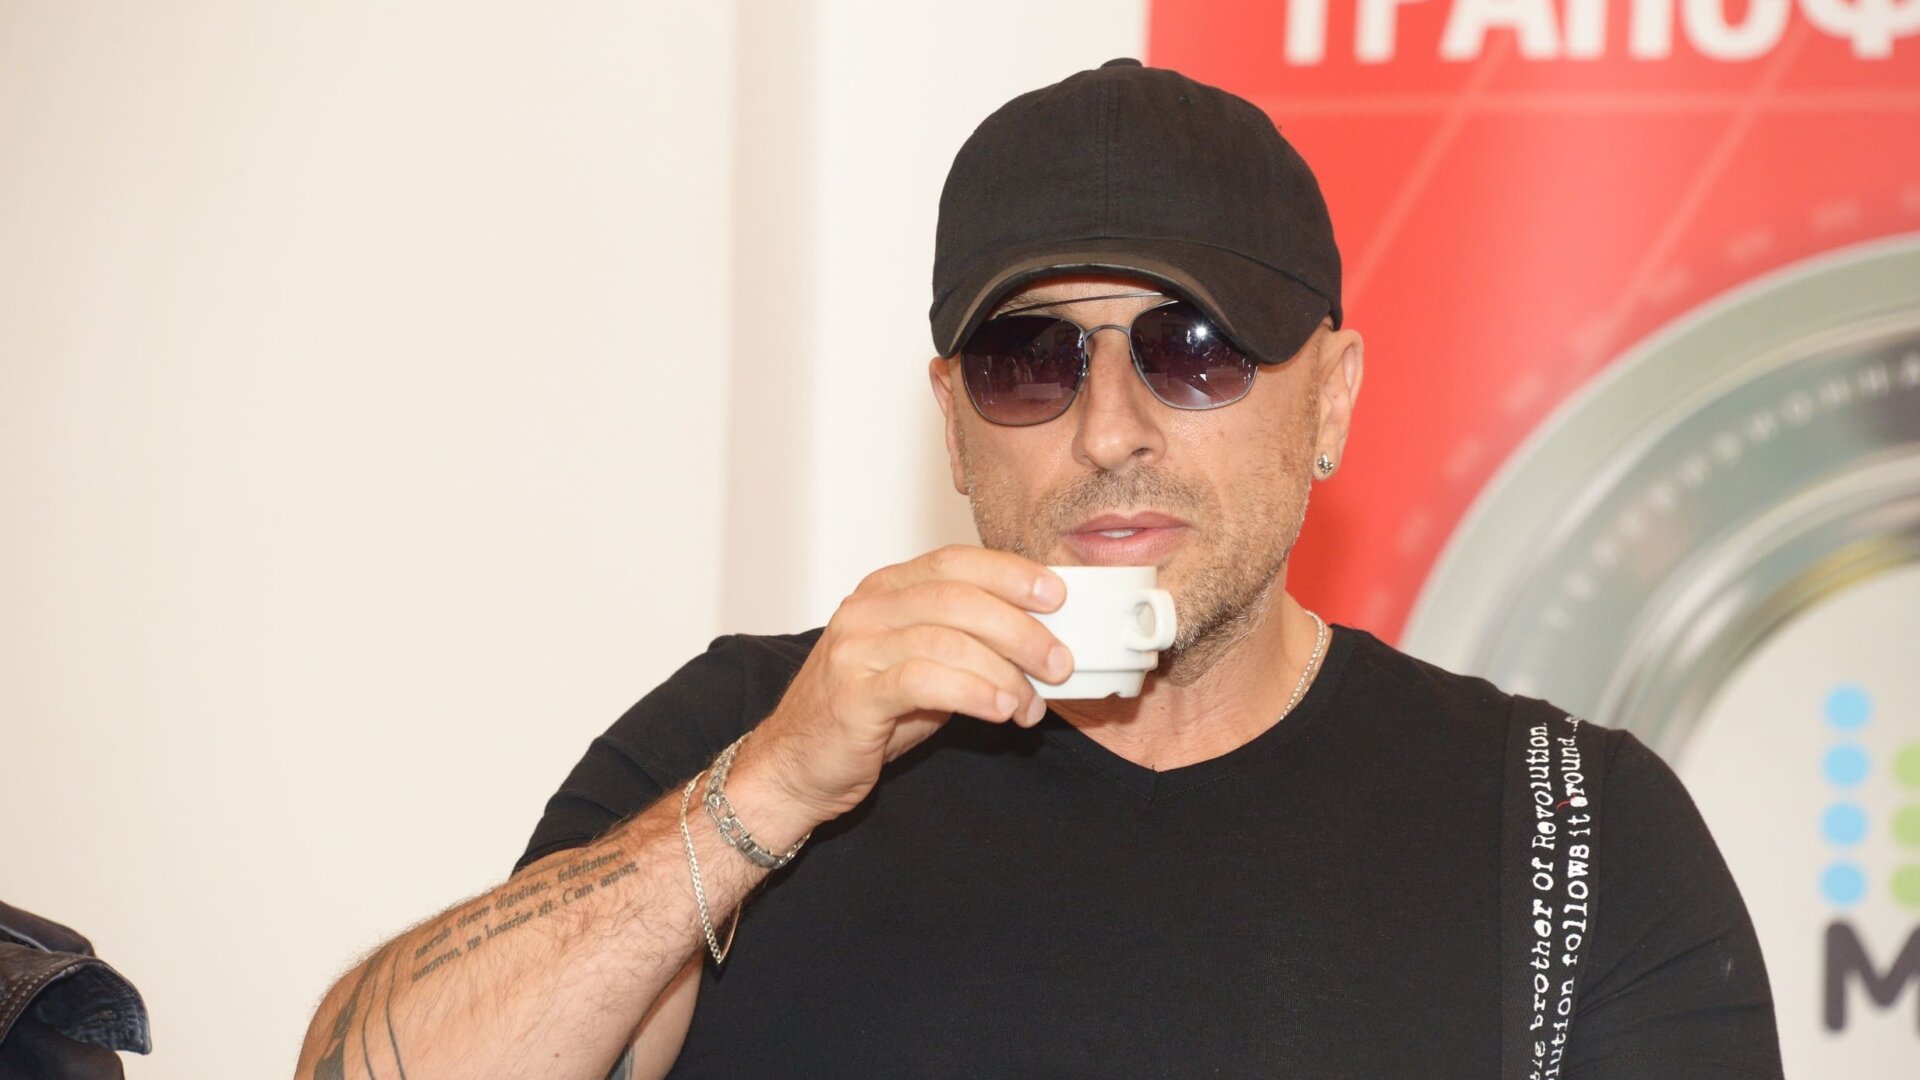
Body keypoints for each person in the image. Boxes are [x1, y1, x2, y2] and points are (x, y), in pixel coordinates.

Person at [294, 59, 1783, 1080]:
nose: (1108, 428)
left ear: (1330, 401)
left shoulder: (1566, 824)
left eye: (1194, 351)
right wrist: (767, 795)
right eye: (1032, 359)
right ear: (954, 420)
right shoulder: (754, 739)